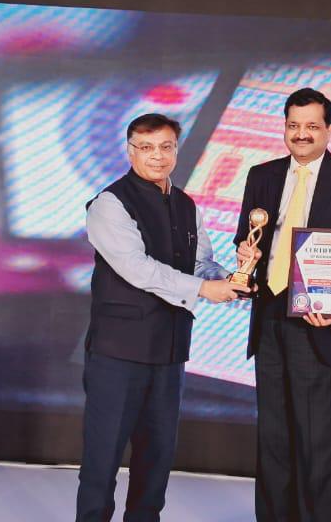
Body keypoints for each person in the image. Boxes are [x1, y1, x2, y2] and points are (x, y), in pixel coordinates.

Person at [76, 113, 247, 522]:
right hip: (118, 353)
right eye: (146, 147)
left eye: (166, 146)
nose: (157, 155)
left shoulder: (186, 204)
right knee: (103, 459)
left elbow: (200, 262)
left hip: (169, 350)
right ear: (130, 151)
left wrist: (231, 278)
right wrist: (204, 289)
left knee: (156, 459)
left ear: (176, 150)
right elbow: (138, 269)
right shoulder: (109, 204)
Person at [233, 88, 331, 522]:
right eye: (293, 125)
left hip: (320, 322)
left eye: (312, 126)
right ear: (284, 127)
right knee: (273, 438)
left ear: (329, 130)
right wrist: (245, 254)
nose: (302, 134)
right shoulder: (261, 175)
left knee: (319, 442)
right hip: (269, 317)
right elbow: (247, 237)